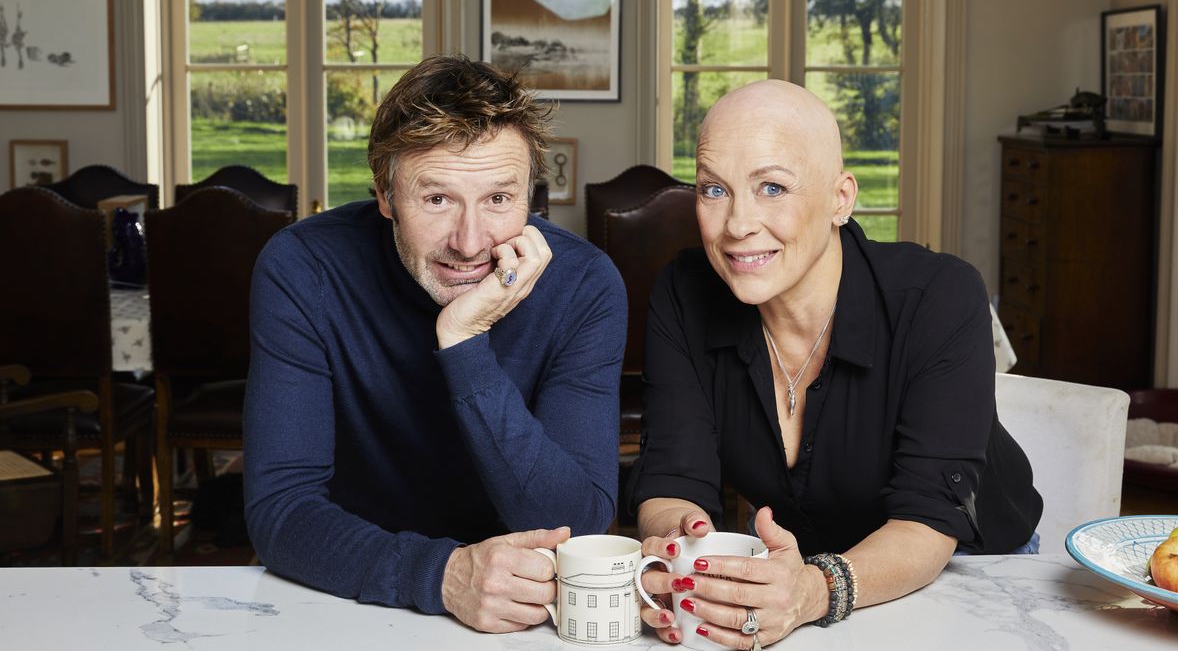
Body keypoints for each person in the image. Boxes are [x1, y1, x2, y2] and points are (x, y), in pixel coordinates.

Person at [629, 80, 1042, 648]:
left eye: (772, 187)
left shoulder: (939, 296)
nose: (737, 225)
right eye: (713, 190)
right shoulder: (684, 292)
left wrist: (813, 590)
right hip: (800, 583)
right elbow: (673, 477)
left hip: (973, 575)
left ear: (840, 199)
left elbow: (930, 521)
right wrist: (683, 545)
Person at [243, 55, 627, 633]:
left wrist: (464, 343)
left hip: (523, 613)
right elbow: (281, 510)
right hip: (347, 594)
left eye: (499, 199)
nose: (470, 243)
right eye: (437, 199)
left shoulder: (584, 284)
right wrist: (442, 574)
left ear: (531, 198)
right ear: (385, 196)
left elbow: (574, 525)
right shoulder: (304, 267)